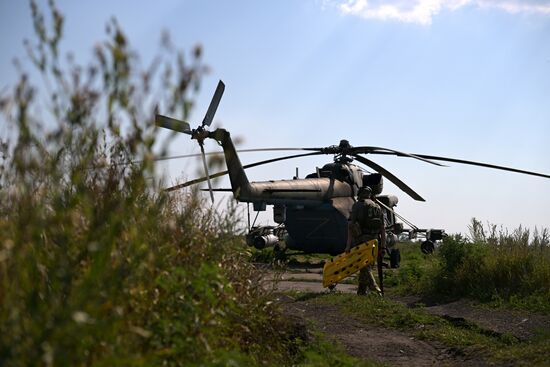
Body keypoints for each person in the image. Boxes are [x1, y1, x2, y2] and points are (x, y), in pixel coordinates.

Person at [345, 186, 386, 296]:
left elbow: (351, 225)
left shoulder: (358, 205)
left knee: (364, 265)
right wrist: (383, 246)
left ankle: (374, 287)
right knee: (366, 266)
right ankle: (362, 292)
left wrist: (348, 246)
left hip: (362, 240)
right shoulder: (377, 207)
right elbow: (382, 229)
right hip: (374, 241)